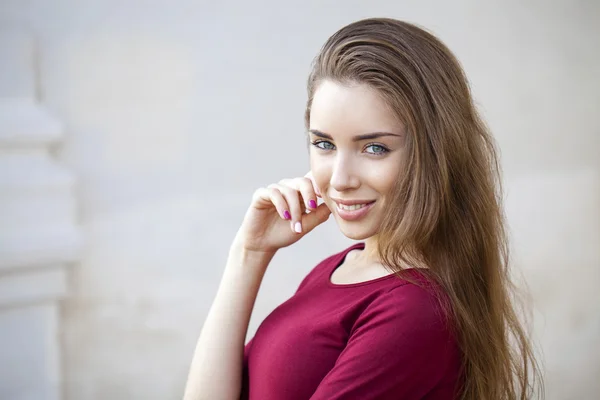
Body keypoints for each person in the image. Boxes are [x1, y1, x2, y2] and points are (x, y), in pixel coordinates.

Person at [183, 17, 543, 400]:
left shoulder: (413, 309)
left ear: (436, 153)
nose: (340, 179)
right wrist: (249, 252)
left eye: (374, 148)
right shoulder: (341, 267)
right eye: (324, 144)